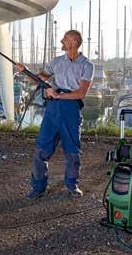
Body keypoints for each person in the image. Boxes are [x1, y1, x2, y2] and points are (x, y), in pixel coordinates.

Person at [15, 30, 94, 199]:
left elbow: (81, 93)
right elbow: (40, 79)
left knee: (72, 151)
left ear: (73, 41)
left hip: (71, 109)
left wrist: (59, 95)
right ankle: (38, 187)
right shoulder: (56, 62)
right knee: (41, 150)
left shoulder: (87, 65)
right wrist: (25, 71)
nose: (61, 40)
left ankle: (72, 185)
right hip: (52, 109)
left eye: (65, 38)